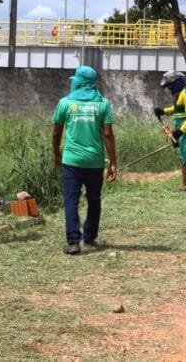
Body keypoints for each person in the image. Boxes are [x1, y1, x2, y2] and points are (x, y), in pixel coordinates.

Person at [52, 66, 117, 255]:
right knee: (94, 199)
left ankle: (73, 242)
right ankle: (89, 238)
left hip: (71, 160)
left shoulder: (64, 103)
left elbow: (56, 133)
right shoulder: (103, 104)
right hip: (95, 162)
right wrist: (113, 162)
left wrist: (56, 154)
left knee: (71, 200)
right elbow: (108, 135)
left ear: (78, 82)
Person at [154, 70, 186, 191]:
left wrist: (180, 131)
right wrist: (163, 111)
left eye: (170, 85)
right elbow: (176, 109)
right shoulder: (181, 94)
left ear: (177, 82)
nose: (169, 88)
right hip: (184, 128)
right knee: (183, 153)